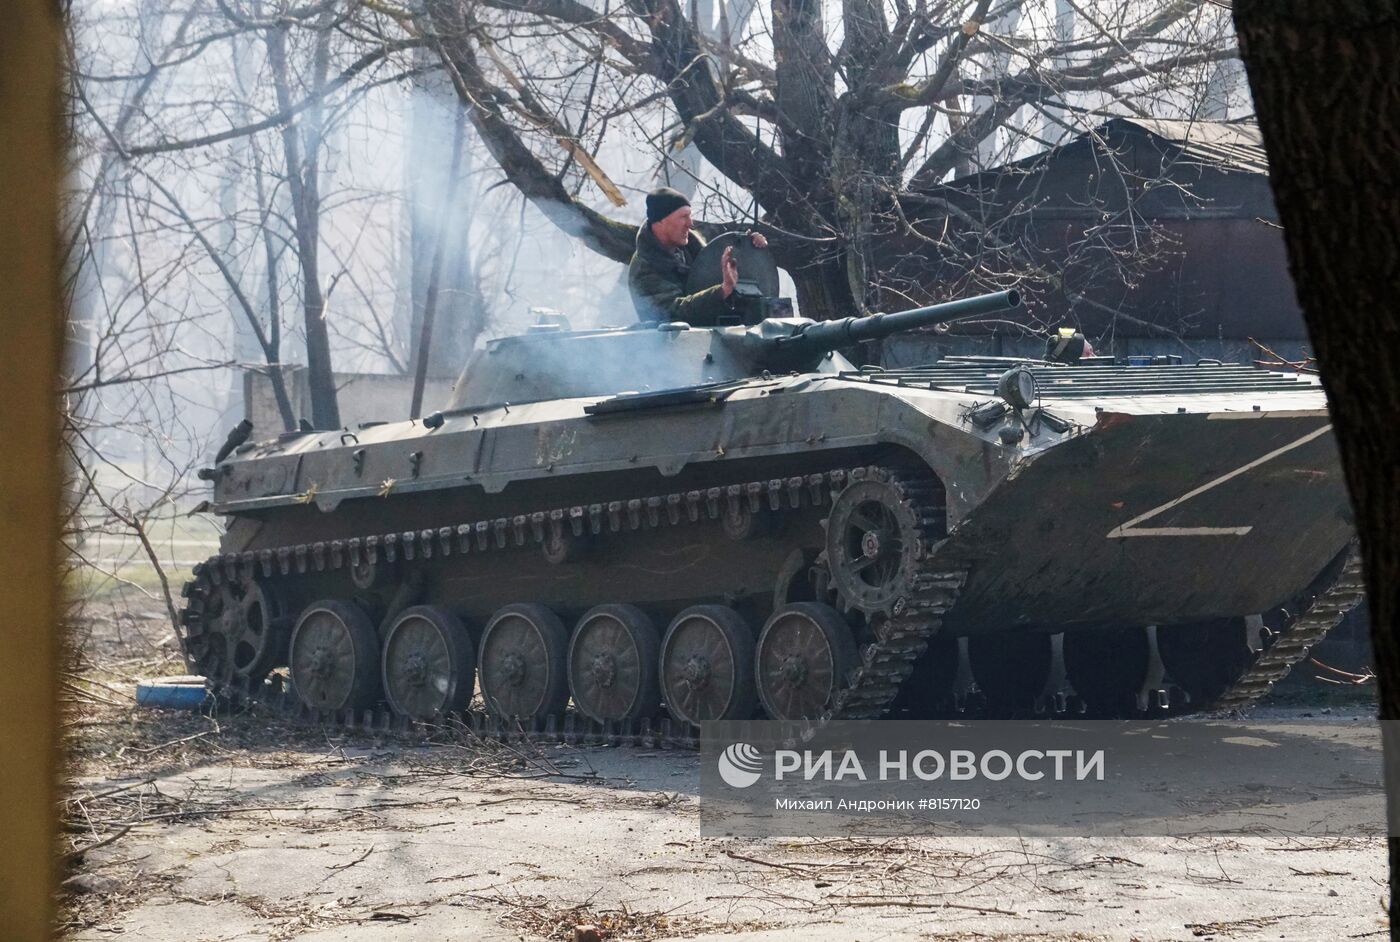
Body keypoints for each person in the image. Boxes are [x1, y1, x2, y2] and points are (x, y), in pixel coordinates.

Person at [627, 187, 768, 324]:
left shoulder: (691, 249)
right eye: (683, 217)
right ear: (660, 221)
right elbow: (673, 313)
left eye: (689, 216)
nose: (690, 224)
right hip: (673, 345)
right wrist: (721, 291)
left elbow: (726, 269)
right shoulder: (644, 268)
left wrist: (750, 247)